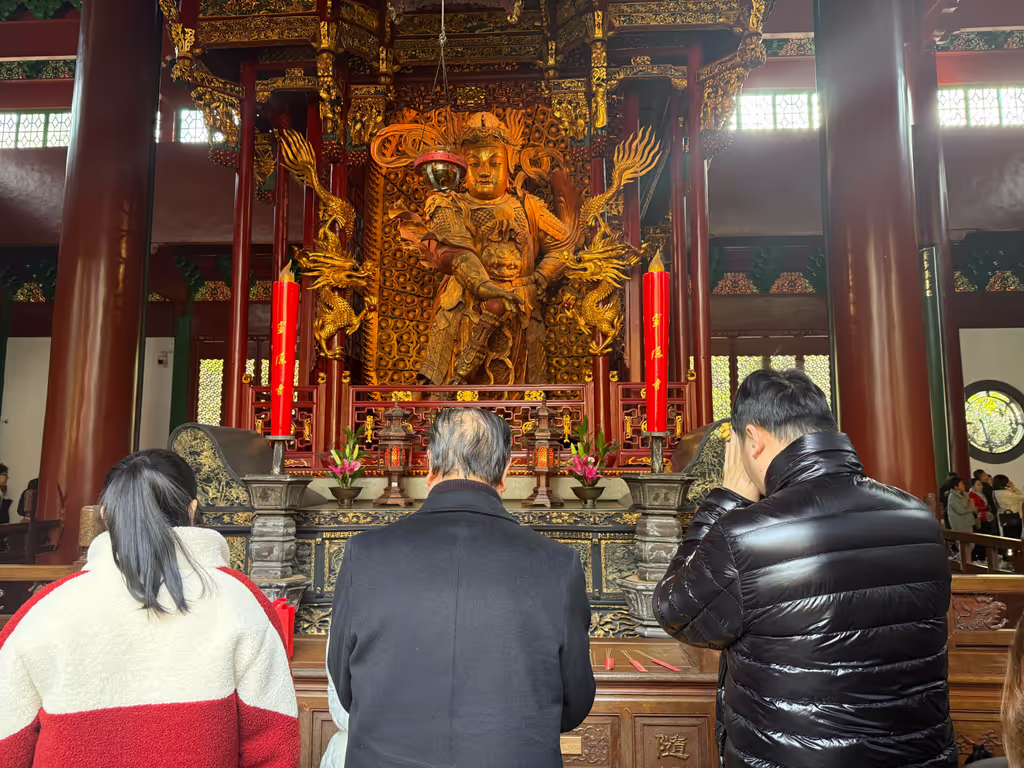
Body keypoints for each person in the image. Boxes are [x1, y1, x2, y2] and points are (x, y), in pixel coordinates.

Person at [654, 369, 955, 767]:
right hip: (918, 756)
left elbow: (675, 610)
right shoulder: (918, 518)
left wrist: (725, 499)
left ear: (754, 440)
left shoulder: (746, 535)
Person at [328, 408, 595, 768]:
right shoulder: (558, 563)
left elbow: (346, 688)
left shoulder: (365, 554)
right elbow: (574, 700)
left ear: (429, 469)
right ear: (504, 473)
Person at [0, 449, 300, 768]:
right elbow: (273, 744)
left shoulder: (47, 609)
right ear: (192, 509)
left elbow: (8, 741)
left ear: (103, 515)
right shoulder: (239, 599)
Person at [994, 475, 1024, 541]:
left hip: (1004, 517)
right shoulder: (1005, 493)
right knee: (1014, 538)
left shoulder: (995, 492)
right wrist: (1014, 488)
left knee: (1009, 537)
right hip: (1012, 517)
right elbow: (1022, 497)